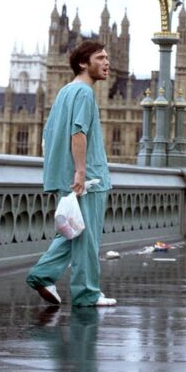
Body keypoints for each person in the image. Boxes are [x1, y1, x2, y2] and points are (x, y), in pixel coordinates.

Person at [26, 40, 116, 307]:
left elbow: (49, 135)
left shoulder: (65, 92)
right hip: (88, 179)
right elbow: (78, 133)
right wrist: (80, 171)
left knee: (73, 230)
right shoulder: (85, 93)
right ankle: (86, 293)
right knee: (87, 237)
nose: (107, 63)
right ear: (82, 63)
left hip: (66, 176)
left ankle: (42, 275)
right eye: (100, 58)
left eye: (107, 58)